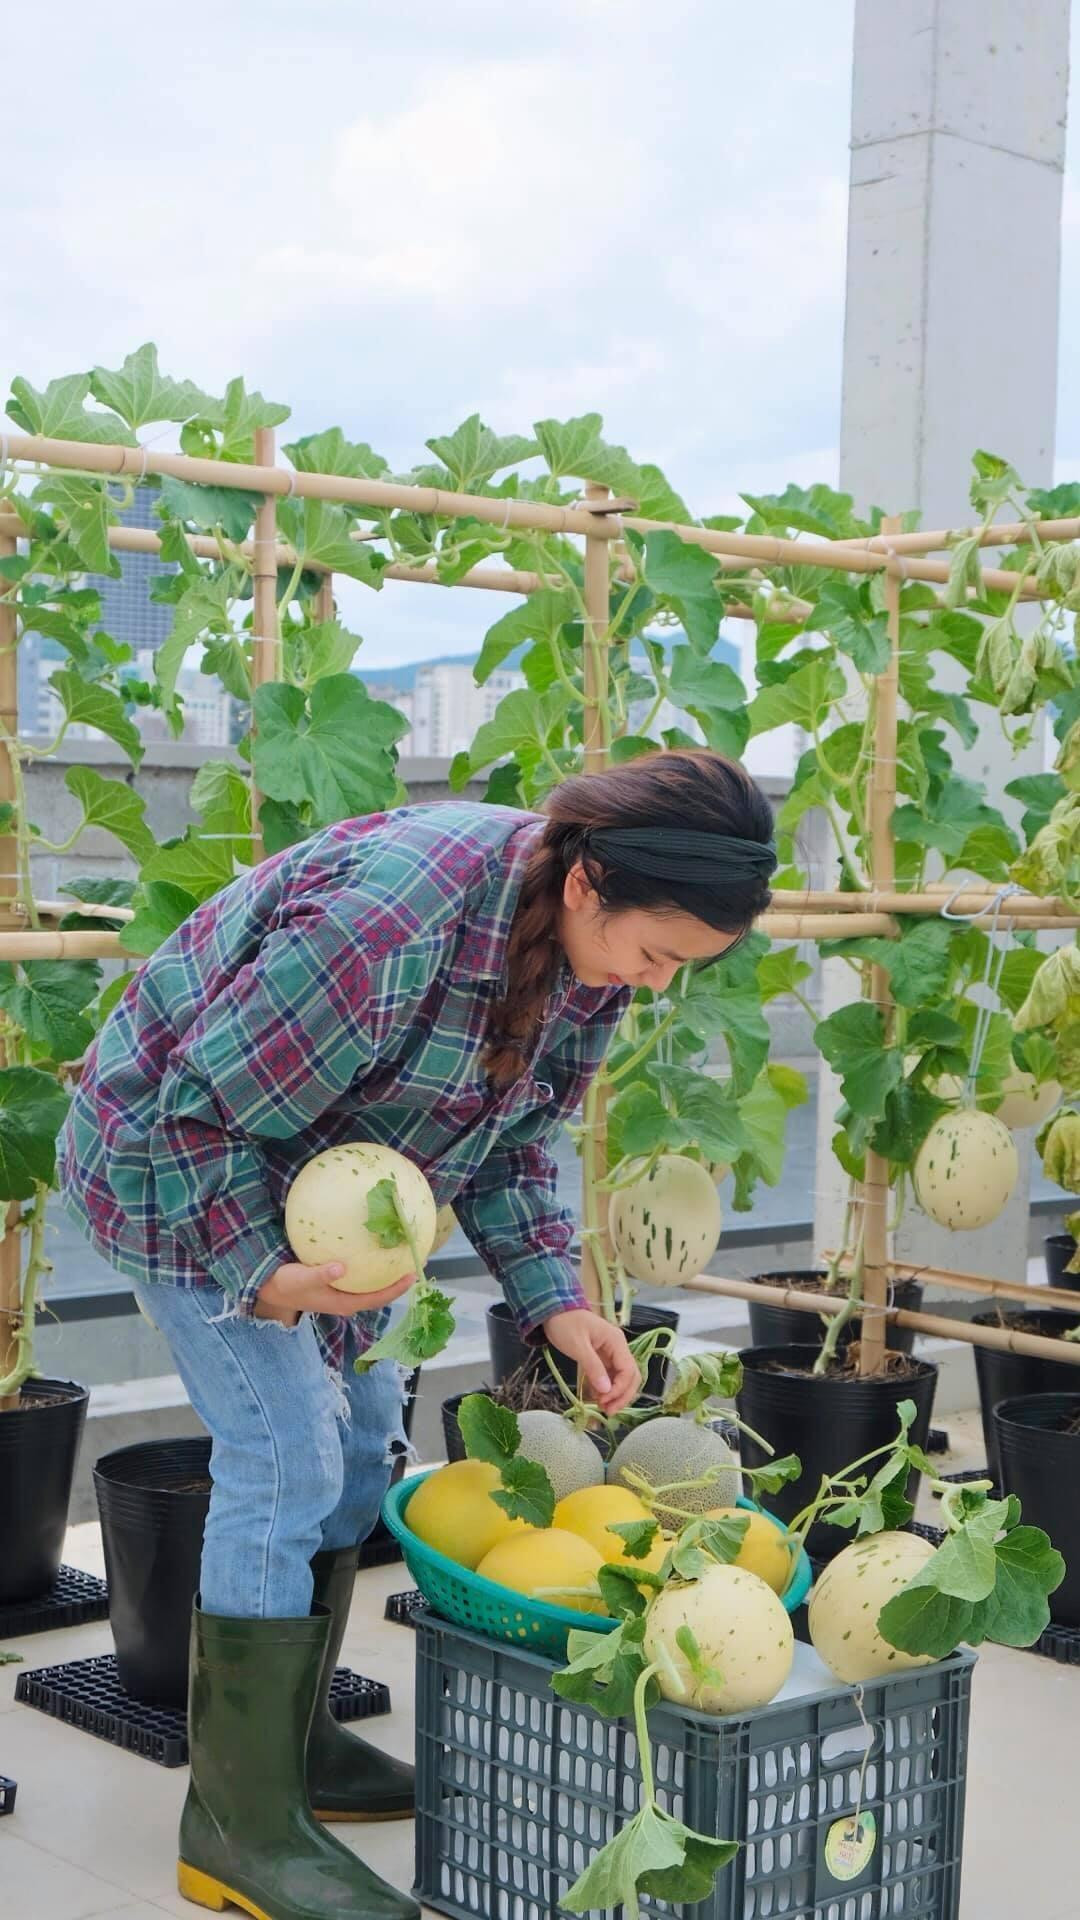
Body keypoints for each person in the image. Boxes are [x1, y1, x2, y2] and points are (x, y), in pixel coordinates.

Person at [59, 747, 776, 1920]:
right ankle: (234, 1828)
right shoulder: (388, 928)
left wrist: (562, 1300)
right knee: (287, 1450)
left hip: (345, 1200)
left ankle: (290, 1754)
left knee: (359, 1447)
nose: (652, 983)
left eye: (682, 969)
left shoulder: (590, 965)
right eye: (656, 953)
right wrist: (267, 1276)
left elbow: (514, 1138)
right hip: (177, 1177)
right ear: (592, 880)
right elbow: (195, 1115)